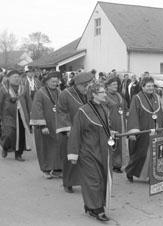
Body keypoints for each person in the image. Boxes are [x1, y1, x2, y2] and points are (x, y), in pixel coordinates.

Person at [68, 82, 113, 222]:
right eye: (102, 92)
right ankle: (98, 210)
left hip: (102, 151)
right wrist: (73, 154)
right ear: (93, 94)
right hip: (88, 152)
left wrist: (112, 134)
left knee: (101, 179)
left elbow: (103, 129)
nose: (105, 94)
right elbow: (75, 133)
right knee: (93, 181)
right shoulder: (83, 111)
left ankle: (90, 205)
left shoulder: (103, 108)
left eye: (105, 92)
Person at [56, 72, 94, 193]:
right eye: (84, 85)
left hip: (85, 130)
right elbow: (61, 112)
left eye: (88, 85)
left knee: (85, 157)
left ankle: (84, 180)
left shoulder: (87, 94)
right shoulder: (65, 94)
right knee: (70, 158)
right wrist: (68, 129)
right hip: (69, 131)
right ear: (77, 84)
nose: (86, 88)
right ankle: (68, 183)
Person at [125, 76, 163, 182]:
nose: (150, 88)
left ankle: (150, 175)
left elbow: (159, 112)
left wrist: (162, 126)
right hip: (143, 130)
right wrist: (134, 131)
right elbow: (133, 114)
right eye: (148, 86)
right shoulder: (137, 98)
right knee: (140, 154)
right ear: (142, 87)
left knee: (154, 153)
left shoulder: (156, 97)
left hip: (155, 130)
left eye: (152, 86)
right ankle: (130, 171)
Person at [0, 70, 32, 161]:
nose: (17, 79)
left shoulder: (23, 88)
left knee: (21, 135)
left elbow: (28, 101)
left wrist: (31, 113)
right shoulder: (3, 88)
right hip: (8, 115)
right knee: (9, 133)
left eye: (18, 77)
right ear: (9, 78)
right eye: (14, 77)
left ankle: (18, 154)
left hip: (21, 114)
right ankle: (5, 147)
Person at [30, 72, 63, 179]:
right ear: (47, 82)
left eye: (56, 81)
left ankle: (57, 169)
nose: (55, 83)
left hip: (56, 125)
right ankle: (46, 169)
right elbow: (37, 109)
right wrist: (42, 126)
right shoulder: (40, 93)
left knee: (58, 146)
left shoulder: (59, 91)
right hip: (45, 126)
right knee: (45, 147)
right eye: (53, 81)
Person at [105, 76, 128, 173]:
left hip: (121, 122)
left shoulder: (119, 95)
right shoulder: (104, 96)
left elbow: (125, 107)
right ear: (108, 86)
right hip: (111, 123)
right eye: (113, 84)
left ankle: (119, 164)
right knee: (113, 143)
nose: (116, 86)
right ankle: (113, 164)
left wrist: (127, 113)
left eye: (116, 84)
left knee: (121, 144)